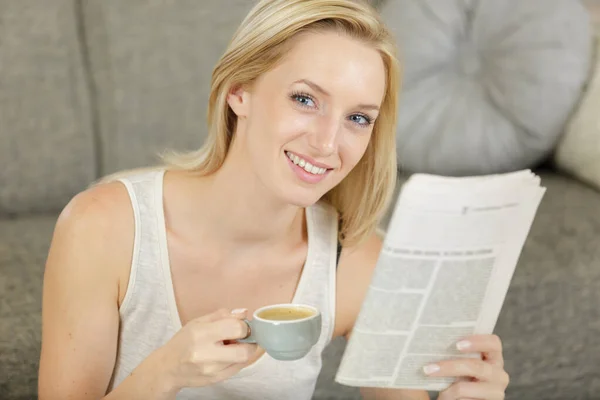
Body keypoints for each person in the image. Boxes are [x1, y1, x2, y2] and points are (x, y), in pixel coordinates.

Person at [37, 0, 510, 399]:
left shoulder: (357, 265)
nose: (328, 143)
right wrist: (165, 373)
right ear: (239, 91)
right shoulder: (103, 227)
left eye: (358, 118)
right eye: (305, 99)